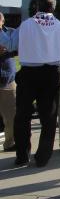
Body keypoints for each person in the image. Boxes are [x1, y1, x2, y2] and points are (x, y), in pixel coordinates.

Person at [14, 0, 60, 167]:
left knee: (22, 115)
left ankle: (22, 155)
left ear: (38, 6)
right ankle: (43, 156)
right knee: (48, 116)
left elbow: (13, 43)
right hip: (51, 73)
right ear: (53, 8)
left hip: (29, 73)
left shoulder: (26, 25)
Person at [0, 13, 18, 152]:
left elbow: (18, 49)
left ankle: (10, 143)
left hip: (8, 81)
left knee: (11, 116)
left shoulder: (11, 33)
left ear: (2, 21)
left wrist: (8, 51)